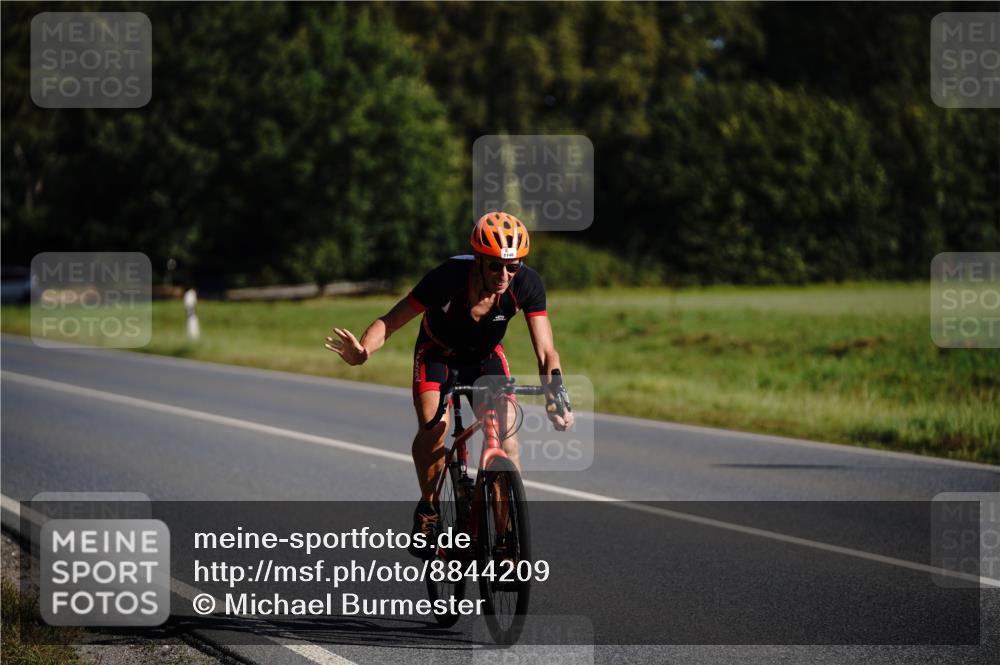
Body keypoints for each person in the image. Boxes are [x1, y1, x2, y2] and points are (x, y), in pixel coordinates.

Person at [325, 211, 573, 557]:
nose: (504, 276)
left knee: (507, 439)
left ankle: (504, 542)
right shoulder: (447, 278)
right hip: (436, 355)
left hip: (484, 358)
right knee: (435, 426)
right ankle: (428, 509)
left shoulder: (526, 284)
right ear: (478, 260)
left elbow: (547, 352)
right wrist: (364, 350)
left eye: (512, 267)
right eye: (495, 267)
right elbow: (391, 321)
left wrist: (556, 395)